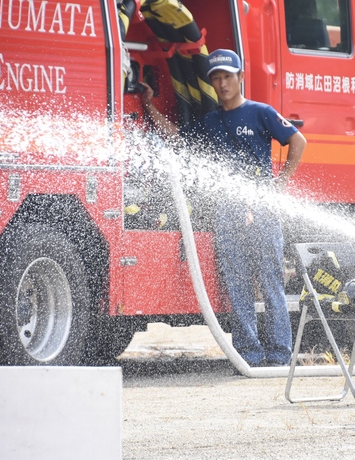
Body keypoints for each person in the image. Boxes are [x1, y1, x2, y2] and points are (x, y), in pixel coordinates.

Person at [140, 49, 307, 366]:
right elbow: (177, 138)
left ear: (240, 77)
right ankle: (248, 354)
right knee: (237, 283)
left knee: (270, 279)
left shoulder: (261, 112)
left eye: (228, 76)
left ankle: (280, 353)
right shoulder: (211, 121)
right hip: (227, 212)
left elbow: (298, 141)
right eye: (216, 78)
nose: (222, 83)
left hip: (262, 210)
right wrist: (149, 107)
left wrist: (282, 182)